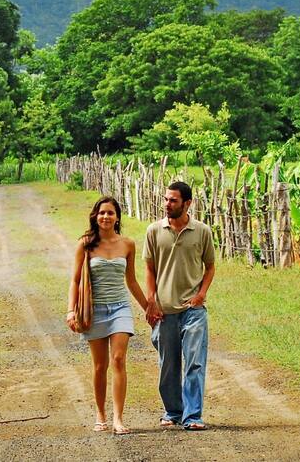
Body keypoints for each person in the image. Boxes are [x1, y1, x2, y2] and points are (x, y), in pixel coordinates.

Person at [65, 196, 153, 435]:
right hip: (93, 311)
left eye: (110, 213)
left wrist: (148, 307)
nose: (106, 217)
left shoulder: (128, 244)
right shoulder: (86, 244)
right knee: (99, 365)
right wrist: (71, 310)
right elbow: (75, 280)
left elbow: (132, 281)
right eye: (102, 212)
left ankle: (118, 418)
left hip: (120, 309)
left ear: (117, 217)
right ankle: (100, 414)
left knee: (119, 359)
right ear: (95, 216)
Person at [144, 181, 216, 431]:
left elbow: (210, 266)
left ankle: (193, 415)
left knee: (195, 362)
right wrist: (151, 300)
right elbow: (150, 268)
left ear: (187, 203)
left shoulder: (202, 231)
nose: (167, 204)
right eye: (166, 199)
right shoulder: (154, 230)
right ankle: (173, 411)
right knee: (168, 364)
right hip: (164, 311)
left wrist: (201, 295)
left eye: (173, 200)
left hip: (193, 310)